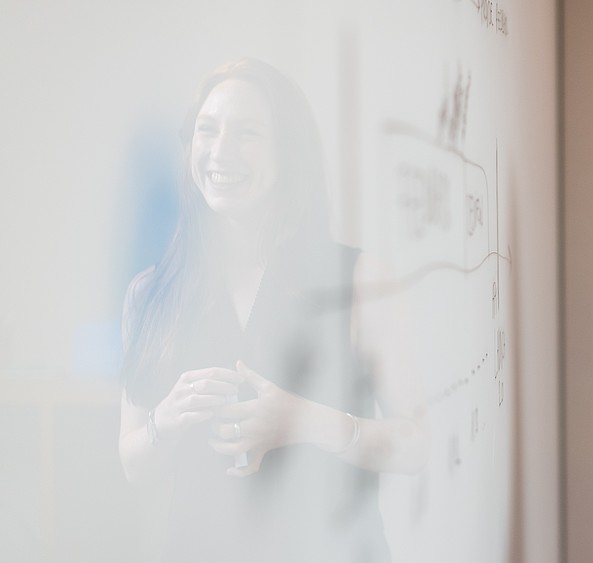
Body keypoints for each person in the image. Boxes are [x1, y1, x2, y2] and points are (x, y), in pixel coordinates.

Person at [118, 58, 425, 563]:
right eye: (207, 130)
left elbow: (414, 446)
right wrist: (166, 419)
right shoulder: (150, 293)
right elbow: (133, 463)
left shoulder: (362, 279)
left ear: (289, 153)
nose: (221, 152)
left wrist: (303, 420)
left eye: (248, 134)